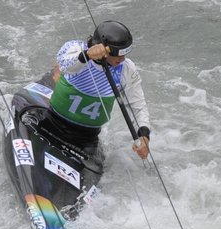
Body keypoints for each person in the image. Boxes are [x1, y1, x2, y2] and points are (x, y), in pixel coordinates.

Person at [23, 19, 152, 161]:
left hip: (87, 139)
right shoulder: (76, 48)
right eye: (118, 54)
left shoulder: (127, 69)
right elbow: (65, 65)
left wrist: (144, 135)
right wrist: (87, 55)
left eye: (125, 55)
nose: (122, 59)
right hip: (51, 123)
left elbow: (138, 106)